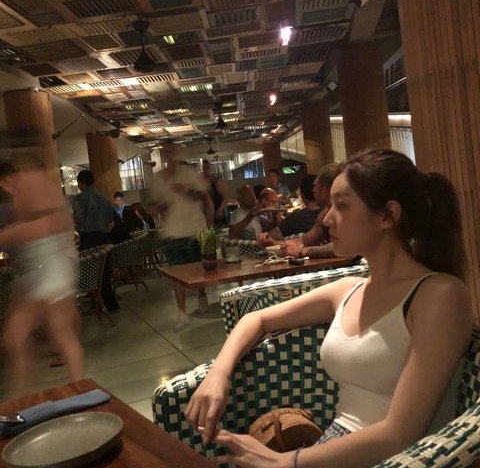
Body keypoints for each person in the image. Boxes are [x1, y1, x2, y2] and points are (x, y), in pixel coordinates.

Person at [185, 149, 472, 468]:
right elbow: (257, 318)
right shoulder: (348, 290)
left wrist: (285, 462)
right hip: (333, 447)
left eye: (342, 206)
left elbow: (399, 434)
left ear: (387, 215)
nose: (327, 218)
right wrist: (218, 373)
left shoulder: (439, 295)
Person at [0, 158, 84, 392]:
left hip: (51, 269)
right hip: (41, 270)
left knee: (57, 333)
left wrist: (11, 233)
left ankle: (78, 389)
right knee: (17, 336)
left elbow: (54, 224)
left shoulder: (33, 183)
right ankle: (24, 395)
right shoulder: (26, 189)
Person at [153, 142, 214, 331]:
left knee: (199, 269)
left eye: (171, 150)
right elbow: (160, 205)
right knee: (177, 275)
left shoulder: (189, 173)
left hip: (194, 229)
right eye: (165, 151)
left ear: (177, 152)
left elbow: (204, 197)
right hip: (173, 231)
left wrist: (186, 190)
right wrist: (157, 208)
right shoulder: (159, 179)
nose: (168, 154)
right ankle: (182, 313)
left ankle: (202, 297)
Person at [260, 163, 338, 258]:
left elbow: (343, 246)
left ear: (327, 189)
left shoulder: (344, 211)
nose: (313, 190)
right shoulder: (323, 214)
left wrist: (302, 251)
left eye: (316, 185)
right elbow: (305, 241)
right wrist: (272, 243)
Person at [73, 170, 120, 312]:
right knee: (103, 272)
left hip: (88, 239)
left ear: (81, 183)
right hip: (103, 237)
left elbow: (79, 218)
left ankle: (100, 303)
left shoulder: (80, 198)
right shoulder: (103, 198)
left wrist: (71, 221)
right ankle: (109, 303)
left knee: (91, 273)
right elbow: (110, 220)